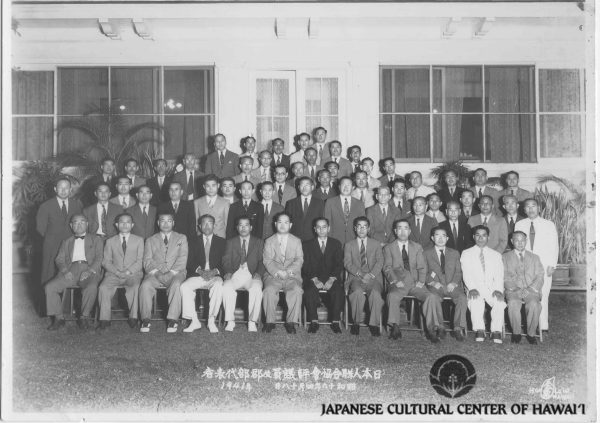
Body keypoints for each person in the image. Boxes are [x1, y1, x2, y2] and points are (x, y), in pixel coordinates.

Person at [383, 220, 440, 342]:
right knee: (392, 296)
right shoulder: (389, 248)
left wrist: (421, 281)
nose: (403, 231)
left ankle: (431, 330)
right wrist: (395, 280)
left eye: (405, 228)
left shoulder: (417, 247)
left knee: (431, 297)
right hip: (399, 283)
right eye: (400, 228)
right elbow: (387, 267)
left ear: (409, 231)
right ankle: (395, 327)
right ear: (395, 231)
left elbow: (422, 266)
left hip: (415, 283)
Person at [44, 214, 103, 330]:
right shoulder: (66, 241)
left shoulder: (96, 239)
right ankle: (59, 318)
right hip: (70, 270)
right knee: (50, 287)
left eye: (82, 222)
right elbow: (59, 259)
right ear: (71, 226)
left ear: (87, 224)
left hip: (89, 269)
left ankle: (84, 317)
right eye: (76, 222)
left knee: (91, 287)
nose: (79, 225)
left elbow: (99, 258)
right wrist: (65, 271)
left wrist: (90, 271)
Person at [514, 198, 559, 333]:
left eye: (533, 206)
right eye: (527, 207)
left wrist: (552, 264)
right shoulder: (519, 224)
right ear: (524, 210)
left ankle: (543, 325)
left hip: (544, 265)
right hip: (525, 265)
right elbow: (517, 245)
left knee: (543, 294)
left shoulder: (548, 224)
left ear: (539, 208)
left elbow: (554, 245)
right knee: (528, 294)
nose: (531, 209)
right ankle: (529, 324)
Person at [139, 213, 188, 333]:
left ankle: (173, 319)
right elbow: (147, 260)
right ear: (158, 223)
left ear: (173, 223)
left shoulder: (181, 238)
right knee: (145, 285)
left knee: (177, 285)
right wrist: (157, 273)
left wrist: (171, 273)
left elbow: (182, 258)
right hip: (155, 273)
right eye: (163, 221)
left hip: (176, 272)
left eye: (169, 221)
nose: (166, 224)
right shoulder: (150, 240)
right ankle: (145, 319)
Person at [96, 213, 144, 330]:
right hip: (114, 274)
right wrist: (117, 272)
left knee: (135, 287)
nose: (125, 224)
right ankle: (104, 319)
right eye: (122, 222)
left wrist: (128, 272)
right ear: (117, 225)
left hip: (133, 274)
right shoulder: (110, 241)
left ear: (132, 225)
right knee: (103, 288)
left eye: (128, 222)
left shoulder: (139, 240)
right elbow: (106, 261)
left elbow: (140, 261)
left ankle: (133, 317)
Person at [180, 214, 226, 334]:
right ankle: (194, 320)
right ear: (199, 226)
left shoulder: (222, 242)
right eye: (204, 223)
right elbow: (189, 261)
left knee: (218, 286)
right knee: (184, 286)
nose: (207, 226)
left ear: (214, 225)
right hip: (198, 274)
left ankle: (211, 320)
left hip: (214, 275)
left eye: (210, 223)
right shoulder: (192, 241)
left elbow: (225, 262)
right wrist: (200, 271)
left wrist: (215, 271)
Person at [461, 225, 506, 343]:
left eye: (484, 235)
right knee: (475, 300)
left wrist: (498, 289)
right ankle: (479, 329)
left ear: (488, 237)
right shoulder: (466, 253)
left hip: (492, 288)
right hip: (475, 287)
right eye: (478, 235)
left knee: (499, 301)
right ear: (473, 237)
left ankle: (496, 331)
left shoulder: (496, 255)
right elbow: (467, 273)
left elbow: (499, 275)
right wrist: (472, 288)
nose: (481, 238)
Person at [422, 227, 468, 342]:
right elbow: (423, 272)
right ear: (432, 238)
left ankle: (457, 328)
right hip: (436, 285)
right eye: (437, 235)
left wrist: (454, 282)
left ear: (447, 238)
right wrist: (432, 282)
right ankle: (438, 327)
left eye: (443, 236)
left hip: (452, 285)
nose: (440, 238)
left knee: (462, 298)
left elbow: (459, 271)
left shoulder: (455, 253)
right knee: (432, 298)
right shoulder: (426, 253)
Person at [36, 178, 84, 286]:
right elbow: (40, 228)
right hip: (51, 245)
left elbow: (79, 224)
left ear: (70, 189)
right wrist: (52, 238)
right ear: (55, 189)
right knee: (49, 273)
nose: (63, 190)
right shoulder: (46, 206)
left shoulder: (76, 205)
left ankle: (66, 297)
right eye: (60, 187)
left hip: (70, 244)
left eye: (66, 188)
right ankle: (47, 295)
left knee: (69, 272)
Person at [262, 213, 304, 334]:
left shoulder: (296, 241)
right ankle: (270, 322)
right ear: (275, 224)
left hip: (291, 276)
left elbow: (299, 260)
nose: (282, 225)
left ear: (290, 225)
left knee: (296, 290)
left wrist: (288, 272)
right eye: (280, 222)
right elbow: (267, 260)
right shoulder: (269, 241)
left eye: (286, 222)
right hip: (273, 275)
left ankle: (291, 322)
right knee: (269, 290)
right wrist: (277, 272)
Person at [222, 216, 265, 332]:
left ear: (251, 227)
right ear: (237, 228)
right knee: (226, 287)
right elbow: (226, 260)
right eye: (240, 225)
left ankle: (252, 321)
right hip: (235, 273)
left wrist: (258, 273)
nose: (243, 228)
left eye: (246, 225)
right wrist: (228, 272)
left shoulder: (258, 242)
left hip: (252, 274)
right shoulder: (231, 242)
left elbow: (262, 260)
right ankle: (230, 321)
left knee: (256, 288)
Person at [302, 218, 345, 334]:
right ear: (315, 229)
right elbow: (305, 265)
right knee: (309, 291)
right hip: (313, 277)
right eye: (319, 227)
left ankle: (335, 321)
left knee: (338, 292)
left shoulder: (336, 243)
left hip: (331, 277)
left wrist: (331, 279)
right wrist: (315, 279)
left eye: (324, 227)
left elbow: (339, 264)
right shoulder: (307, 245)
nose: (321, 230)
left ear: (328, 228)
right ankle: (314, 321)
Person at [345, 217, 384, 336]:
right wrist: (361, 274)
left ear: (369, 229)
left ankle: (373, 324)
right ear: (355, 228)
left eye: (364, 226)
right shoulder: (349, 245)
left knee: (376, 294)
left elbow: (380, 261)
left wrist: (371, 274)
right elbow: (347, 263)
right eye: (359, 226)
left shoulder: (376, 244)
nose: (362, 229)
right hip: (356, 277)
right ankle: (356, 323)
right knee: (357, 293)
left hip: (373, 277)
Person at [503, 231, 544, 344]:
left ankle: (531, 334)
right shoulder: (505, 257)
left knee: (534, 304)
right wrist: (515, 288)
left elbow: (540, 275)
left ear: (526, 241)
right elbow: (503, 275)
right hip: (513, 290)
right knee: (513, 303)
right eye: (517, 240)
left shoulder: (535, 257)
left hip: (531, 290)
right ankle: (516, 333)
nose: (520, 243)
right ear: (512, 241)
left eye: (522, 240)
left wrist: (530, 289)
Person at [323, 176, 366, 245]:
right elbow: (327, 223)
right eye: (343, 185)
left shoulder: (359, 204)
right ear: (339, 187)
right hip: (334, 240)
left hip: (354, 240)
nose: (346, 187)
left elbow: (362, 225)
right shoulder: (330, 202)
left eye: (348, 185)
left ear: (353, 187)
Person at [284, 177, 325, 242]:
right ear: (298, 187)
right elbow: (287, 222)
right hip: (295, 239)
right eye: (302, 185)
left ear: (312, 187)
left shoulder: (320, 203)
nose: (304, 187)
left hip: (314, 239)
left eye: (307, 185)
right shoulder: (291, 203)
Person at [194, 174, 230, 239]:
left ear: (218, 185)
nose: (211, 189)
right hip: (202, 237)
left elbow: (227, 223)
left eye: (213, 185)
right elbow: (196, 222)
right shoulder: (197, 202)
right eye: (208, 186)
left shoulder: (225, 202)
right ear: (204, 186)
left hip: (220, 237)